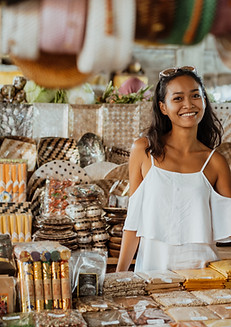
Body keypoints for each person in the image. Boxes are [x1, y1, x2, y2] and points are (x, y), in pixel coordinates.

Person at [116, 66, 231, 273]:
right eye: (178, 98)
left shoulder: (215, 162)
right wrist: (119, 277)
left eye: (195, 95)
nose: (189, 104)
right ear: (163, 107)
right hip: (153, 272)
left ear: (204, 100)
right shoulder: (144, 150)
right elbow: (133, 221)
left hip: (203, 276)